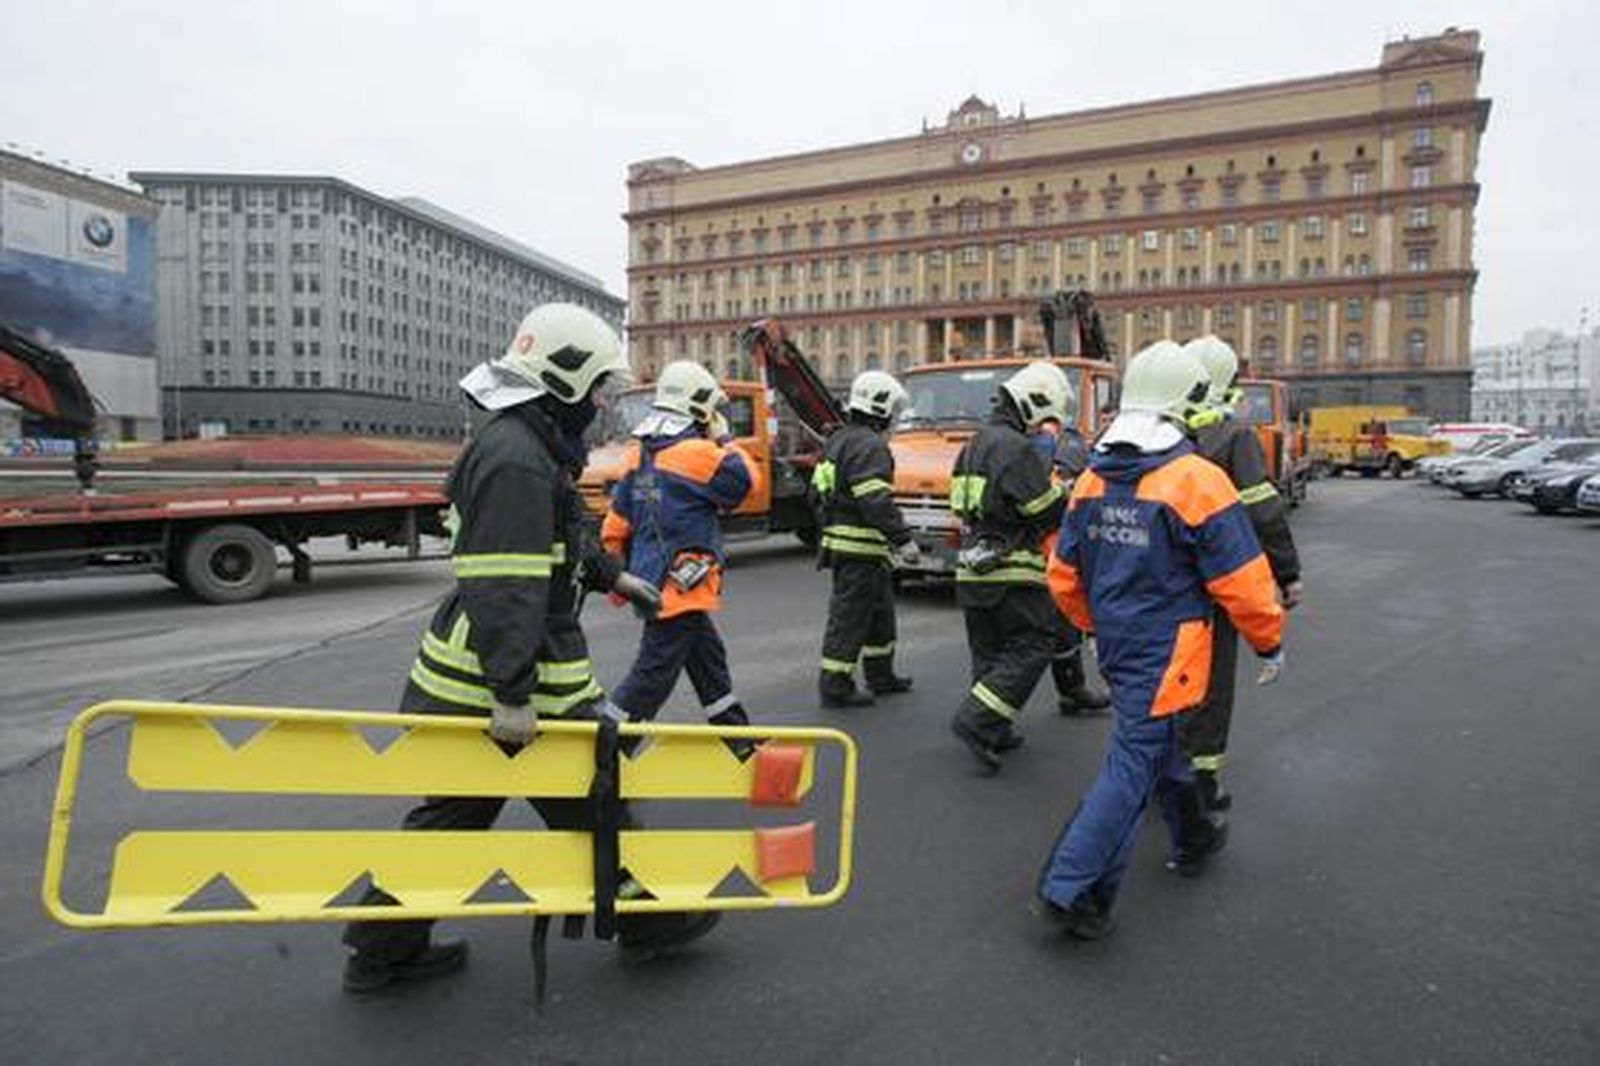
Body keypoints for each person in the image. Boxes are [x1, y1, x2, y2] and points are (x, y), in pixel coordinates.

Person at [341, 304, 718, 993]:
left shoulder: (525, 443)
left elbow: (555, 535)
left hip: (489, 676)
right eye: (597, 387)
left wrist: (612, 574)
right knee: (588, 798)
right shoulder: (517, 457)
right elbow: (506, 584)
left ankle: (382, 950)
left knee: (463, 818)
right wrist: (512, 695)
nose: (601, 403)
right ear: (564, 379)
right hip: (504, 681)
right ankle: (650, 920)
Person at [1036, 340, 1286, 939]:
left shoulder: (1092, 481)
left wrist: (1097, 626)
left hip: (1119, 646)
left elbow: (1063, 576)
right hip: (1174, 653)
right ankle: (1070, 887)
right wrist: (1269, 641)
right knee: (1134, 762)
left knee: (1165, 748)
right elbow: (1243, 580)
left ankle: (1195, 835)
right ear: (1186, 402)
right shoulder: (1197, 480)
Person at [602, 361, 763, 752]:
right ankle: (607, 749)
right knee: (652, 676)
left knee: (708, 660)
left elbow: (616, 522)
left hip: (651, 581)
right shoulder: (699, 454)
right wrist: (725, 439)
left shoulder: (637, 456)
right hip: (680, 586)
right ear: (700, 407)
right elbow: (748, 483)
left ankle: (737, 738)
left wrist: (616, 575)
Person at [1180, 336, 1304, 813]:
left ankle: (1159, 773)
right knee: (1211, 687)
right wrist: (1287, 574)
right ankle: (1200, 784)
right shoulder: (1234, 438)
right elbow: (1263, 511)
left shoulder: (1161, 434)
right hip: (1213, 590)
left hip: (1160, 588)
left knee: (1165, 683)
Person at [948, 361, 1074, 771]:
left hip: (973, 569)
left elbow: (960, 507)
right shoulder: (1017, 448)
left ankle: (993, 728)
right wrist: (1063, 494)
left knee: (989, 652)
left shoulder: (973, 445)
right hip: (1013, 570)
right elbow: (1042, 510)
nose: (1042, 426)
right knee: (1033, 644)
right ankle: (977, 719)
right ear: (1034, 402)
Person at [812, 369, 917, 709]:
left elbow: (815, 496)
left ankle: (881, 675)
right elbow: (875, 500)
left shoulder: (837, 440)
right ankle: (835, 685)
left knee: (879, 614)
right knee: (850, 618)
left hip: (853, 546)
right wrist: (903, 539)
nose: (895, 418)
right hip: (859, 549)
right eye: (893, 410)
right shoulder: (871, 446)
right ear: (880, 407)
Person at [1032, 416, 1112, 718]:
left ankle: (1072, 692)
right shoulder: (1059, 487)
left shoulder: (1074, 482)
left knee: (1065, 632)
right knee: (1057, 633)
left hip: (1060, 566)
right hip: (1051, 567)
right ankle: (1072, 691)